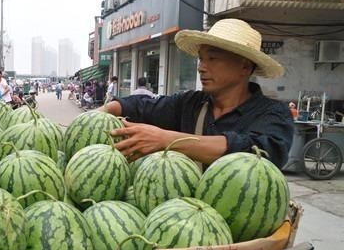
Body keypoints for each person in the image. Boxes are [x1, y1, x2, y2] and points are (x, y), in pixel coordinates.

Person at [100, 19, 294, 168]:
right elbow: (141, 106)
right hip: (189, 217)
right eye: (201, 59)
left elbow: (257, 152)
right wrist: (101, 112)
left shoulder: (273, 113)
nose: (201, 67)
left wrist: (166, 140)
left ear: (245, 66)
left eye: (212, 58)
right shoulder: (191, 103)